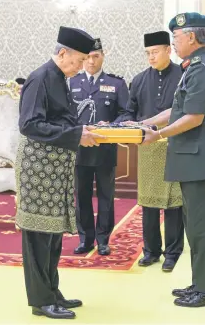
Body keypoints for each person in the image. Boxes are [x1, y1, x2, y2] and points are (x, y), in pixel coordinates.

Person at [139, 13, 205, 307]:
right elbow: (178, 109)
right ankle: (200, 283)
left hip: (199, 162)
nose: (174, 43)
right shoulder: (193, 67)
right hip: (193, 161)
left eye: (176, 38)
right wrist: (147, 122)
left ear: (191, 37)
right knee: (196, 227)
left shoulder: (201, 69)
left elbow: (193, 117)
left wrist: (158, 134)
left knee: (201, 228)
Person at [15, 26, 103, 319]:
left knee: (52, 234)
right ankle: (41, 300)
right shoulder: (40, 79)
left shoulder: (60, 78)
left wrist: (81, 131)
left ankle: (52, 292)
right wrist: (77, 134)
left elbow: (60, 121)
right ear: (62, 53)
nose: (81, 68)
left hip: (55, 168)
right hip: (39, 169)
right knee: (39, 234)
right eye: (79, 61)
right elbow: (29, 125)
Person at [117, 31, 184, 271]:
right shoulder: (139, 80)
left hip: (176, 145)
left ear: (168, 50)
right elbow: (129, 111)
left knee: (174, 203)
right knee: (149, 202)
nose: (151, 57)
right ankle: (151, 251)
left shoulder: (184, 76)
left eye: (155, 52)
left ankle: (173, 253)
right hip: (148, 148)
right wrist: (126, 122)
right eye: (147, 53)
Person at [69, 38, 129, 256]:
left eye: (96, 56)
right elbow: (65, 114)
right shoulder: (72, 83)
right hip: (79, 150)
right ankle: (85, 239)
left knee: (106, 196)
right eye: (88, 57)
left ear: (103, 55)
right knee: (81, 196)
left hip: (105, 149)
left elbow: (126, 113)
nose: (91, 62)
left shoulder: (116, 84)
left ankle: (103, 239)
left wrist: (111, 125)